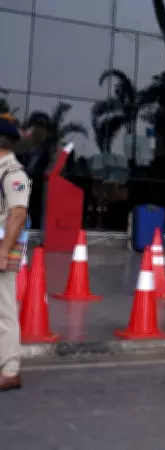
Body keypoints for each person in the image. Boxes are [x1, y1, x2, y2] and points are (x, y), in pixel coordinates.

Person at [0, 116, 30, 392]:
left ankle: (9, 370)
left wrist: (3, 250)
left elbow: (18, 214)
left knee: (4, 308)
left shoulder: (13, 174)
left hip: (1, 247)